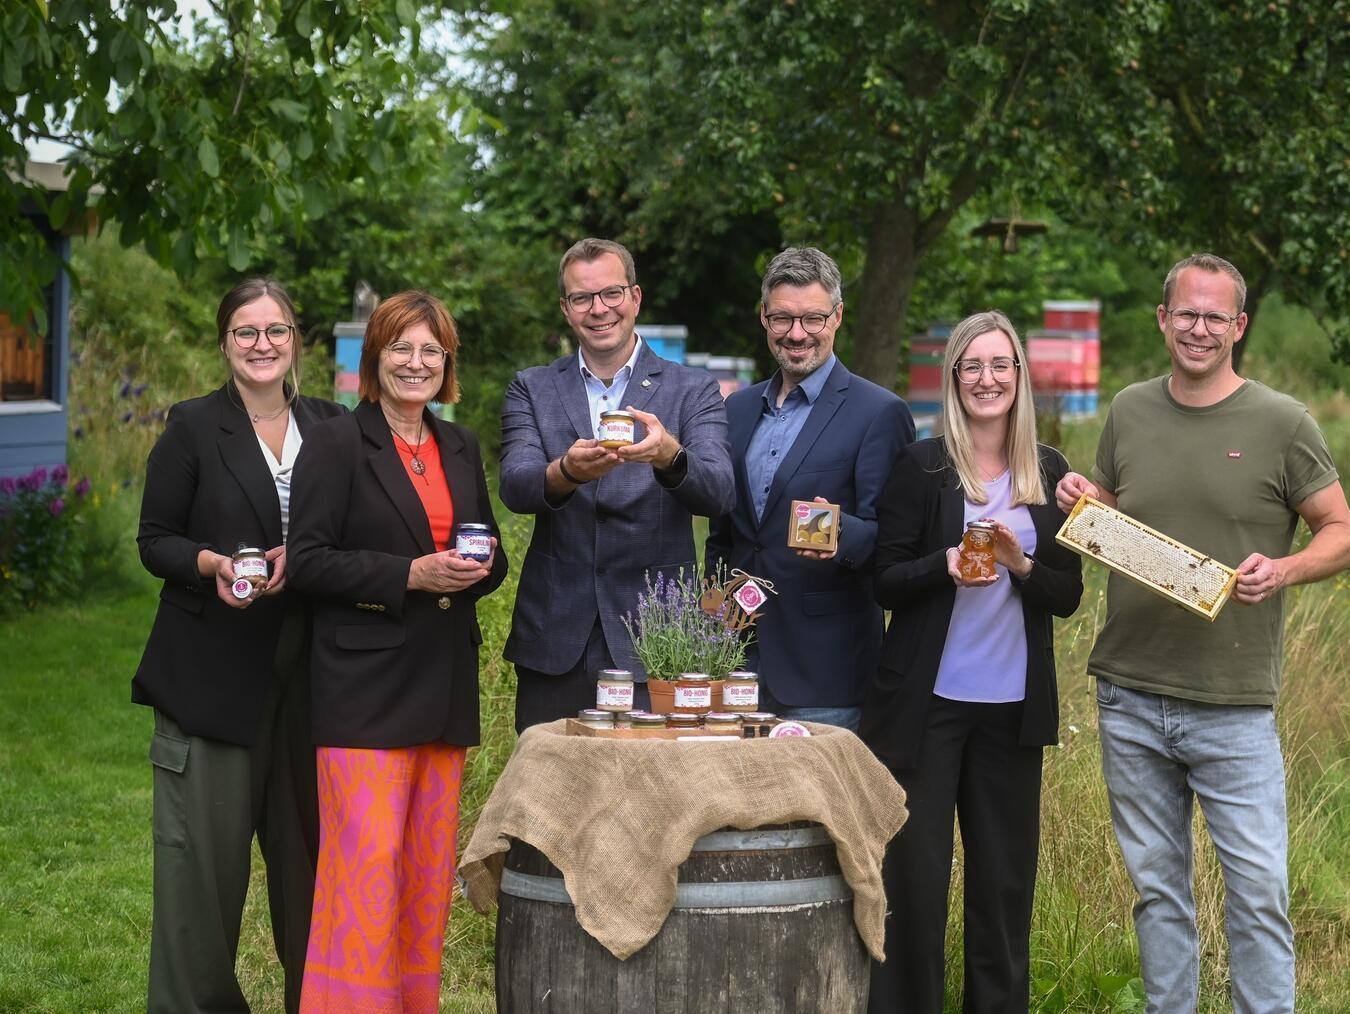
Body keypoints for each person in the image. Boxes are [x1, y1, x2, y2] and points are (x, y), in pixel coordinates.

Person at [1054, 253, 1350, 1014]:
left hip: (1233, 703)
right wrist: (1083, 496)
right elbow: (1112, 515)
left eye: (1216, 316)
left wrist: (1283, 570)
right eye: (1186, 312)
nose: (1199, 328)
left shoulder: (1283, 421)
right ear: (1163, 319)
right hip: (1128, 693)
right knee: (1158, 893)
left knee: (1257, 895)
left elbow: (1340, 531)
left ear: (1239, 326)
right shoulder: (1128, 409)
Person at [286, 290, 508, 1012]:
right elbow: (308, 562)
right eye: (401, 348)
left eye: (431, 350)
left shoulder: (460, 445)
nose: (416, 362)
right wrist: (409, 575)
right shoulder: (336, 442)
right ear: (374, 359)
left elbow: (489, 554)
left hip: (442, 686)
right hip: (364, 690)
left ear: (447, 363)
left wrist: (479, 567)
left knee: (424, 872)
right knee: (366, 868)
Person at [859, 310, 1083, 1012]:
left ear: (1019, 375)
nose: (988, 379)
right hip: (925, 710)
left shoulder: (1050, 472)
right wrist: (944, 564)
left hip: (1011, 712)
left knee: (1004, 888)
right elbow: (884, 579)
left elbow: (1068, 595)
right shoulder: (923, 465)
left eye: (1000, 365)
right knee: (914, 887)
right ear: (954, 377)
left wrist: (1020, 564)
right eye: (973, 366)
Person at [133, 278, 345, 1013]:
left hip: (315, 677)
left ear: (295, 340)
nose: (262, 344)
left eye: (276, 330)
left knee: (313, 872)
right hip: (212, 676)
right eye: (246, 332)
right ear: (225, 343)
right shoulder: (195, 425)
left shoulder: (332, 425)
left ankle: (318, 1003)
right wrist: (211, 564)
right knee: (201, 877)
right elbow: (155, 539)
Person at [500, 237, 734, 730]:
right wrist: (567, 472)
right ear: (565, 308)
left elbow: (718, 491)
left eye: (611, 293)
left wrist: (670, 456)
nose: (598, 309)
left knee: (650, 780)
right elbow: (516, 487)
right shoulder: (532, 387)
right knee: (549, 776)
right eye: (582, 297)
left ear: (635, 297)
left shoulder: (693, 389)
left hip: (656, 639)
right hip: (555, 637)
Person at [704, 246, 913, 730]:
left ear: (837, 316)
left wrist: (841, 534)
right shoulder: (737, 410)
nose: (796, 334)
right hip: (735, 664)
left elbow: (897, 544)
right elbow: (724, 535)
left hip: (826, 675)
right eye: (782, 318)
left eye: (812, 318)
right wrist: (712, 613)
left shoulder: (878, 412)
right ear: (764, 317)